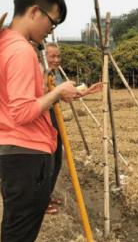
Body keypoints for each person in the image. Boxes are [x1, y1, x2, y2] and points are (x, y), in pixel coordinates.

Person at [0, 0, 83, 242]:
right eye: (52, 23)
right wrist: (56, 93)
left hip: (13, 155)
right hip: (27, 158)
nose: (50, 32)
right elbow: (21, 112)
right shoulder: (21, 50)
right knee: (20, 237)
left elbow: (17, 101)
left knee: (14, 231)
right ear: (34, 11)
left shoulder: (2, 46)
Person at [43, 43, 102, 215]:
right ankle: (40, 202)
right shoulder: (38, 73)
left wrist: (85, 92)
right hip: (43, 118)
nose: (56, 59)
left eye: (58, 56)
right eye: (52, 56)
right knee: (48, 162)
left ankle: (48, 194)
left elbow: (64, 95)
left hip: (55, 116)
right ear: (42, 57)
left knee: (58, 160)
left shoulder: (56, 75)